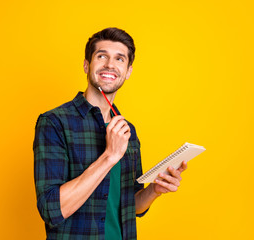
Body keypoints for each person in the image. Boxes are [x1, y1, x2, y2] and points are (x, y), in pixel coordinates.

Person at [33, 27, 187, 240]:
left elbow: (130, 206)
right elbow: (51, 210)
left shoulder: (127, 130)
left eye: (119, 59)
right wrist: (109, 156)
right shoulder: (55, 122)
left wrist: (154, 190)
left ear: (128, 71)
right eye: (101, 56)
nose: (110, 65)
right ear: (87, 65)